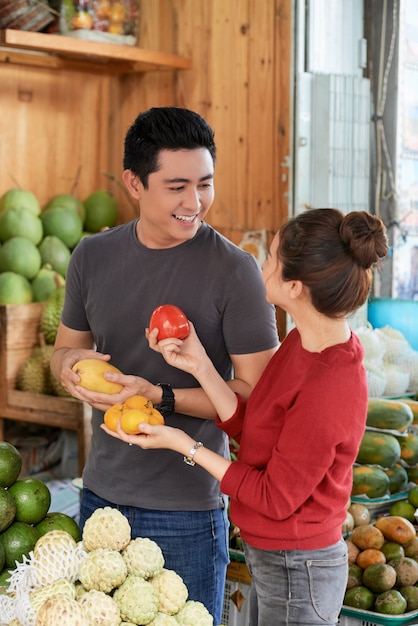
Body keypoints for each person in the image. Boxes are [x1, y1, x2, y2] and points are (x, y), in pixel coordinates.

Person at [102, 207, 389, 626]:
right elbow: (256, 423)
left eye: (271, 258)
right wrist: (199, 364)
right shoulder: (302, 344)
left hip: (299, 569)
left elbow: (275, 497)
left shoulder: (332, 385)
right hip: (279, 561)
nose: (262, 266)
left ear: (294, 286)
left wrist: (184, 444)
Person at [50, 106, 279, 624]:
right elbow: (63, 351)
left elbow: (255, 402)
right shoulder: (92, 257)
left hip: (188, 512)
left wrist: (159, 395)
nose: (194, 202)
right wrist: (69, 367)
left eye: (205, 183)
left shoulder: (235, 272)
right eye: (177, 186)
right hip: (101, 500)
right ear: (135, 182)